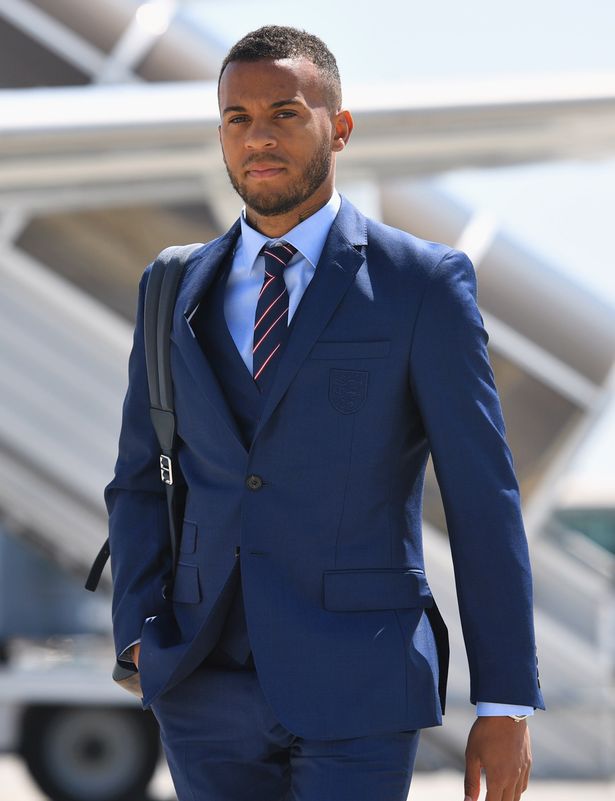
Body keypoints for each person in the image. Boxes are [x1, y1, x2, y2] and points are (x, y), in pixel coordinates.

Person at [105, 24, 544, 801]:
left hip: (361, 681)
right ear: (220, 137)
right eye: (237, 119)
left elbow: (483, 499)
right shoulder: (170, 287)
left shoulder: (421, 284)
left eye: (284, 113)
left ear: (337, 128)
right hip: (201, 684)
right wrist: (139, 634)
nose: (258, 137)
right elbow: (141, 478)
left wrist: (503, 699)